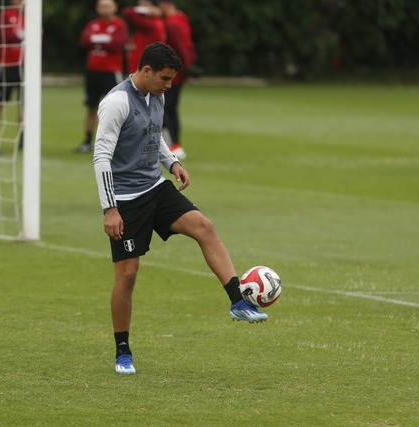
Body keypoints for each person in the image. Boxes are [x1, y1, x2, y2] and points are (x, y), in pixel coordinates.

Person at [92, 43, 268, 375]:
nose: (169, 85)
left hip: (156, 188)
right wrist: (109, 209)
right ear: (146, 71)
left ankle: (238, 301)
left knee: (205, 227)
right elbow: (101, 157)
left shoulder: (156, 95)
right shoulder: (115, 103)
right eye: (164, 78)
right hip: (126, 200)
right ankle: (122, 351)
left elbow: (154, 134)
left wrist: (172, 163)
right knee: (127, 276)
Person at [75, 0, 128, 154]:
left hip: (111, 72)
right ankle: (87, 141)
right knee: (91, 106)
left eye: (108, 6)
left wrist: (97, 39)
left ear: (115, 8)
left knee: (116, 107)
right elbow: (84, 40)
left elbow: (116, 44)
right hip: (93, 71)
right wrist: (104, 39)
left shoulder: (119, 25)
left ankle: (118, 143)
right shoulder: (93, 24)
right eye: (102, 6)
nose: (104, 9)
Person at [0, 0, 25, 153]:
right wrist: (21, 35)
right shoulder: (5, 15)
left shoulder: (29, 17)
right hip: (6, 66)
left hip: (25, 66)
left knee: (24, 103)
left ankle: (24, 138)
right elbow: (7, 35)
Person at [158, 0, 195, 159]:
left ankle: (172, 145)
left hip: (172, 74)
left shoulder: (171, 24)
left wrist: (186, 68)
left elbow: (179, 48)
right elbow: (189, 46)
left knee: (164, 109)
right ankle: (176, 143)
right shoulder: (182, 18)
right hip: (179, 73)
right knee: (172, 109)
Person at [121, 0, 165, 73]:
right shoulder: (153, 21)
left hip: (143, 65)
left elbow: (127, 13)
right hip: (144, 64)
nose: (141, 6)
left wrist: (144, 10)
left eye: (144, 4)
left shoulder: (151, 23)